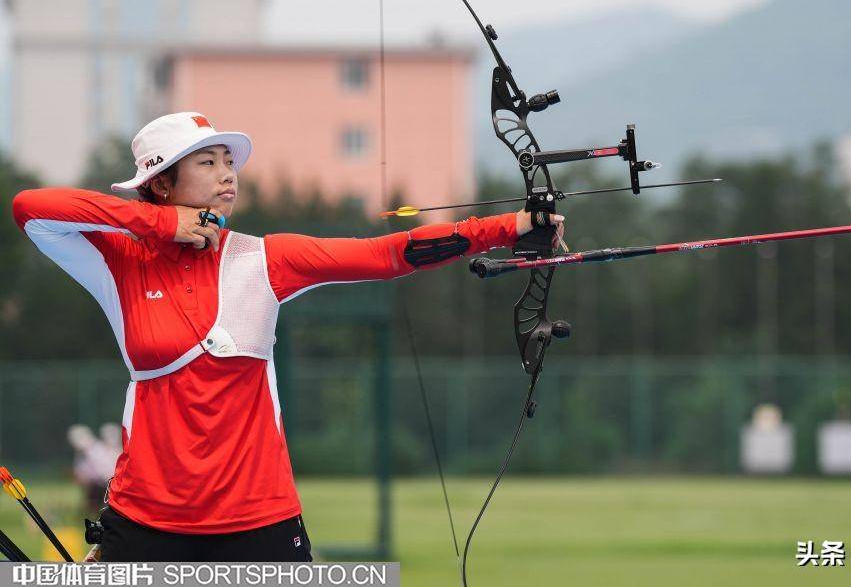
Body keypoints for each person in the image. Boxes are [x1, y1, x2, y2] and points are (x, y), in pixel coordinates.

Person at [12, 112, 564, 561]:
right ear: (161, 183)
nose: (228, 174)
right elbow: (31, 209)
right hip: (145, 519)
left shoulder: (265, 259)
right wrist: (160, 224)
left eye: (230, 162)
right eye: (208, 162)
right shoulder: (118, 261)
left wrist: (510, 227)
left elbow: (386, 254)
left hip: (260, 520)